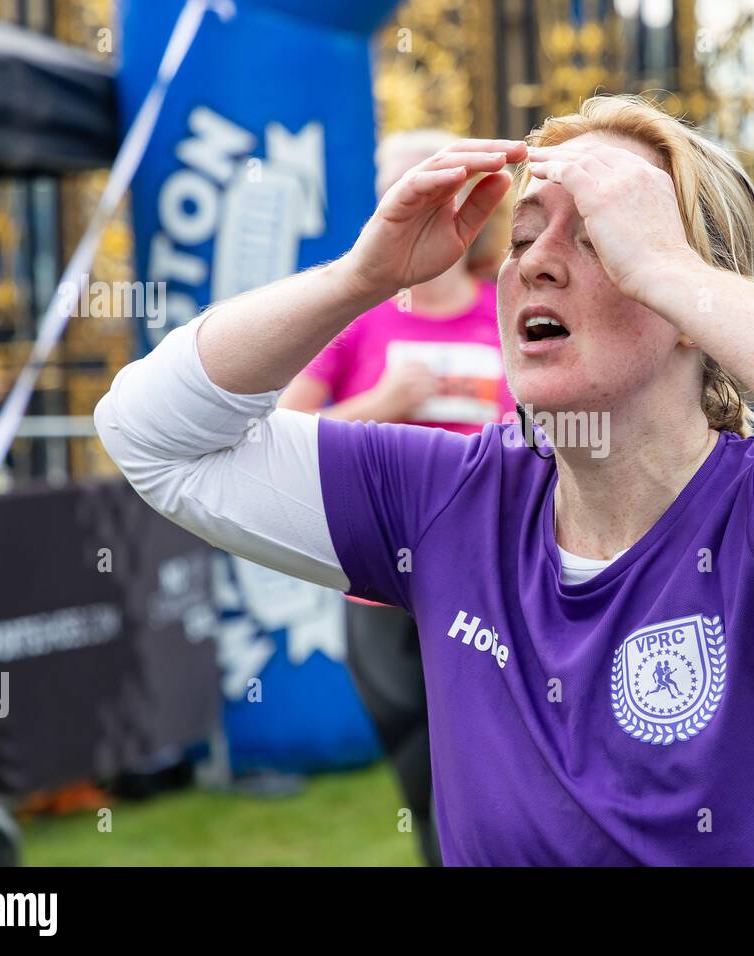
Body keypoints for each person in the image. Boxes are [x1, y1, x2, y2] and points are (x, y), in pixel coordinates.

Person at [95, 94, 754, 865]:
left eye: (600, 238)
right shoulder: (449, 500)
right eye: (524, 235)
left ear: (692, 304)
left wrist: (667, 264)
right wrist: (358, 278)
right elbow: (155, 437)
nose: (535, 261)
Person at [277, 129, 513, 867]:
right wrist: (384, 400)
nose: (399, 197)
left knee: (499, 777)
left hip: (491, 575)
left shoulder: (508, 303)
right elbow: (280, 437)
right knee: (427, 779)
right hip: (383, 591)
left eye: (413, 179)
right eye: (388, 184)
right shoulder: (357, 316)